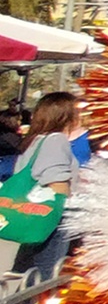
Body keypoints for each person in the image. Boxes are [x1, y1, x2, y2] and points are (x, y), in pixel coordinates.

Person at [11, 93, 84, 277]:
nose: (80, 116)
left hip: (32, 213)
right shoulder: (56, 140)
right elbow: (56, 180)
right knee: (46, 273)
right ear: (65, 115)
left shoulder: (35, 139)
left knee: (29, 272)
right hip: (52, 216)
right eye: (77, 111)